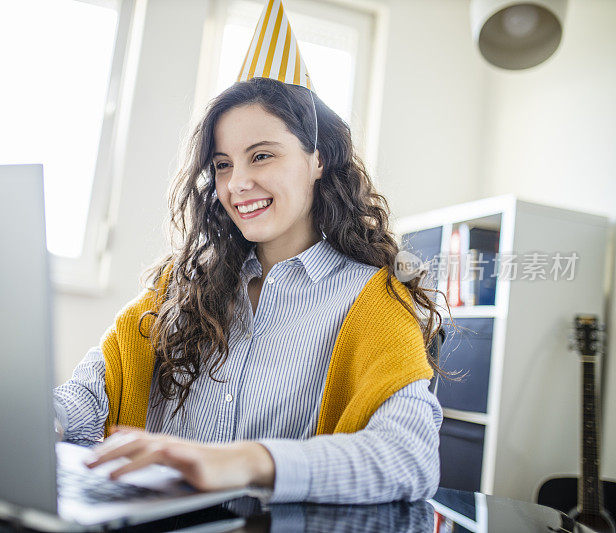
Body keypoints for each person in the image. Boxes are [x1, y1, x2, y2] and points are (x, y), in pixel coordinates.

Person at [54, 0, 445, 505]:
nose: (237, 184)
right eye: (222, 164)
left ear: (318, 159)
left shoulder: (371, 302)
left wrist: (248, 460)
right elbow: (86, 399)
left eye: (262, 155)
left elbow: (410, 458)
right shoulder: (179, 287)